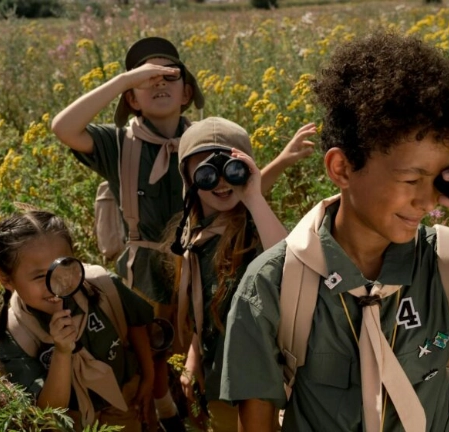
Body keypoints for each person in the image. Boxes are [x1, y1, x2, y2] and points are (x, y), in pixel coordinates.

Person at [219, 32, 449, 432]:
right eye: (411, 179)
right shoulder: (273, 284)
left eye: (441, 181)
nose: (428, 202)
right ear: (342, 169)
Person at [51, 36, 316, 431]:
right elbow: (63, 126)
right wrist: (125, 81)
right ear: (132, 99)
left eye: (169, 76)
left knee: (201, 344)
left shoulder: (202, 140)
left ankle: (189, 415)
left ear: (187, 91)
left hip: (204, 256)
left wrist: (278, 162)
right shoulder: (120, 143)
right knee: (151, 356)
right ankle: (162, 417)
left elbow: (238, 196)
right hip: (148, 270)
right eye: (147, 79)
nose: (158, 82)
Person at [0, 210, 155, 431]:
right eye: (40, 276)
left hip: (125, 402)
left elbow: (135, 323)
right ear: (5, 279)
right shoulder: (14, 334)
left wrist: (148, 377)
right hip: (71, 421)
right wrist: (62, 351)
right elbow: (49, 409)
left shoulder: (102, 286)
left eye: (63, 265)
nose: (56, 282)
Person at [172, 117, 288, 431]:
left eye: (231, 170)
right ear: (190, 180)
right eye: (207, 173)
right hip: (218, 374)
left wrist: (253, 195)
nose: (222, 183)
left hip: (260, 380)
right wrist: (193, 358)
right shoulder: (194, 236)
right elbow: (207, 307)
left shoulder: (254, 226)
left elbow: (288, 266)